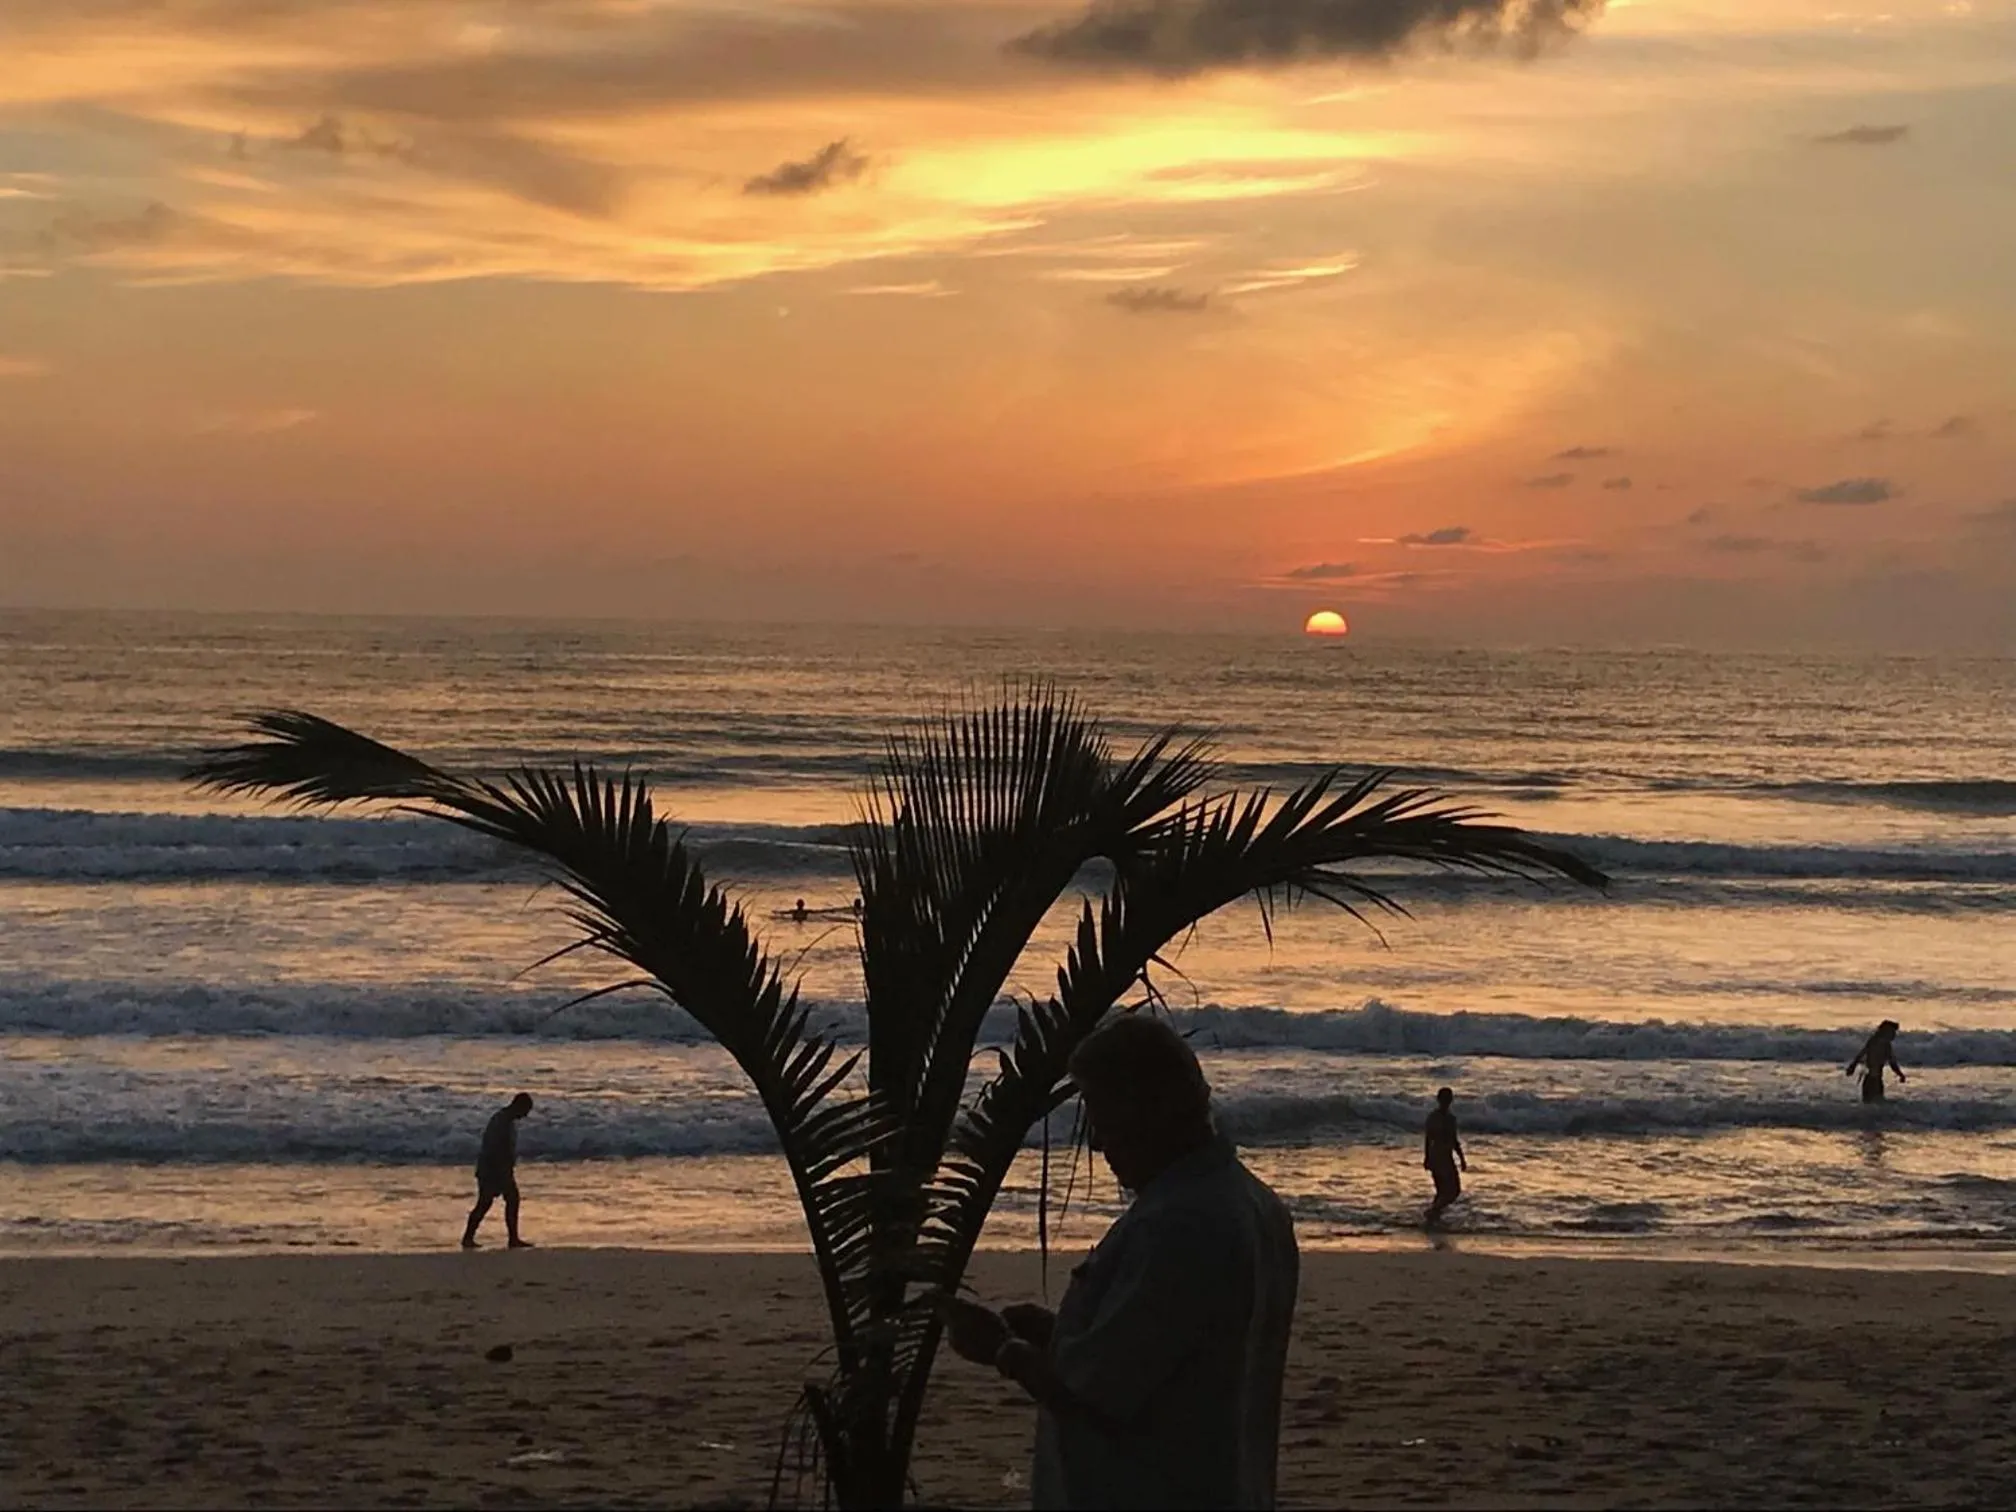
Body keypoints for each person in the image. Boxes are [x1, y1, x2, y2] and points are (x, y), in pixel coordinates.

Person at [943, 1014, 1298, 1510]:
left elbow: (1099, 1397)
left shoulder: (1177, 1224)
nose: (1097, 1142)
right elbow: (1161, 1351)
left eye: (1102, 1118)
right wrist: (1060, 1335)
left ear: (1147, 1111)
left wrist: (1002, 1351)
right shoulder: (1255, 1204)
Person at [461, 1092, 534, 1249]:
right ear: (519, 1106)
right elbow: (494, 1148)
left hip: (497, 1168)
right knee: (487, 1203)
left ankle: (510, 1238)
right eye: (526, 1110)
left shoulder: (505, 1120)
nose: (526, 1115)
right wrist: (501, 1170)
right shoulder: (502, 1121)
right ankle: (470, 1238)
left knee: (505, 1200)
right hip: (492, 1169)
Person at [1423, 1086, 1466, 1228]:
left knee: (1442, 1191)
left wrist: (1427, 1157)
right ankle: (1433, 1212)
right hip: (1442, 1158)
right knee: (1453, 1191)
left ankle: (1433, 1217)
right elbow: (1452, 1140)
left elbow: (1429, 1139)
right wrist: (1462, 1158)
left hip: (1438, 1156)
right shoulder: (1446, 1118)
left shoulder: (1436, 1117)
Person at [1847, 1020, 1906, 1103]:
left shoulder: (1882, 1043)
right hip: (1872, 1080)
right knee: (1874, 1103)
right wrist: (1852, 1066)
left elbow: (1892, 1063)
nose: (1894, 1035)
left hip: (1875, 1080)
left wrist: (1900, 1074)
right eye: (1892, 1032)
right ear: (1885, 1031)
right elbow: (1862, 1054)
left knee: (1872, 1103)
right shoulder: (1878, 1043)